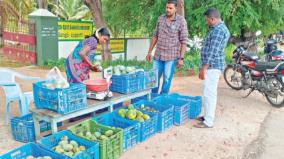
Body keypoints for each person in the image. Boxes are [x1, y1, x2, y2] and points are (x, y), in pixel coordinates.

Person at [195, 8, 230, 128]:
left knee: (209, 93)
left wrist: (204, 68)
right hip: (212, 66)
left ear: (213, 19)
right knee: (207, 91)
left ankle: (208, 121)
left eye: (207, 20)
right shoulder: (217, 28)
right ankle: (207, 116)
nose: (206, 22)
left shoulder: (218, 30)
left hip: (212, 66)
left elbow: (212, 51)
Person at [146, 0, 188, 94]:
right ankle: (153, 98)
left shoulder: (181, 21)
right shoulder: (160, 19)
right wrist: (149, 52)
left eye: (170, 8)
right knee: (153, 79)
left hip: (171, 57)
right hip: (158, 56)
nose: (168, 10)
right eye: (167, 7)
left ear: (175, 9)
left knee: (167, 80)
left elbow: (184, 41)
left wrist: (181, 58)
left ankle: (163, 98)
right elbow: (155, 36)